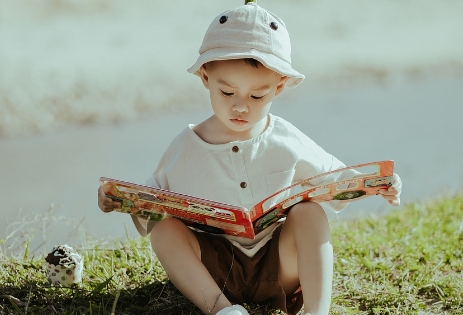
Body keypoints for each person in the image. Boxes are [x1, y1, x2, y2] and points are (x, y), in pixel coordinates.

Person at [97, 2, 402, 315]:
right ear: (205, 77)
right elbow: (151, 202)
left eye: (257, 96)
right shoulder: (187, 146)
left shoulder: (287, 139)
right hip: (214, 272)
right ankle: (222, 310)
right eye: (227, 92)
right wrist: (117, 200)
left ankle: (316, 310)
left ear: (279, 87)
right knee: (163, 229)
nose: (240, 106)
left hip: (278, 265)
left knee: (310, 213)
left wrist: (381, 184)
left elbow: (337, 179)